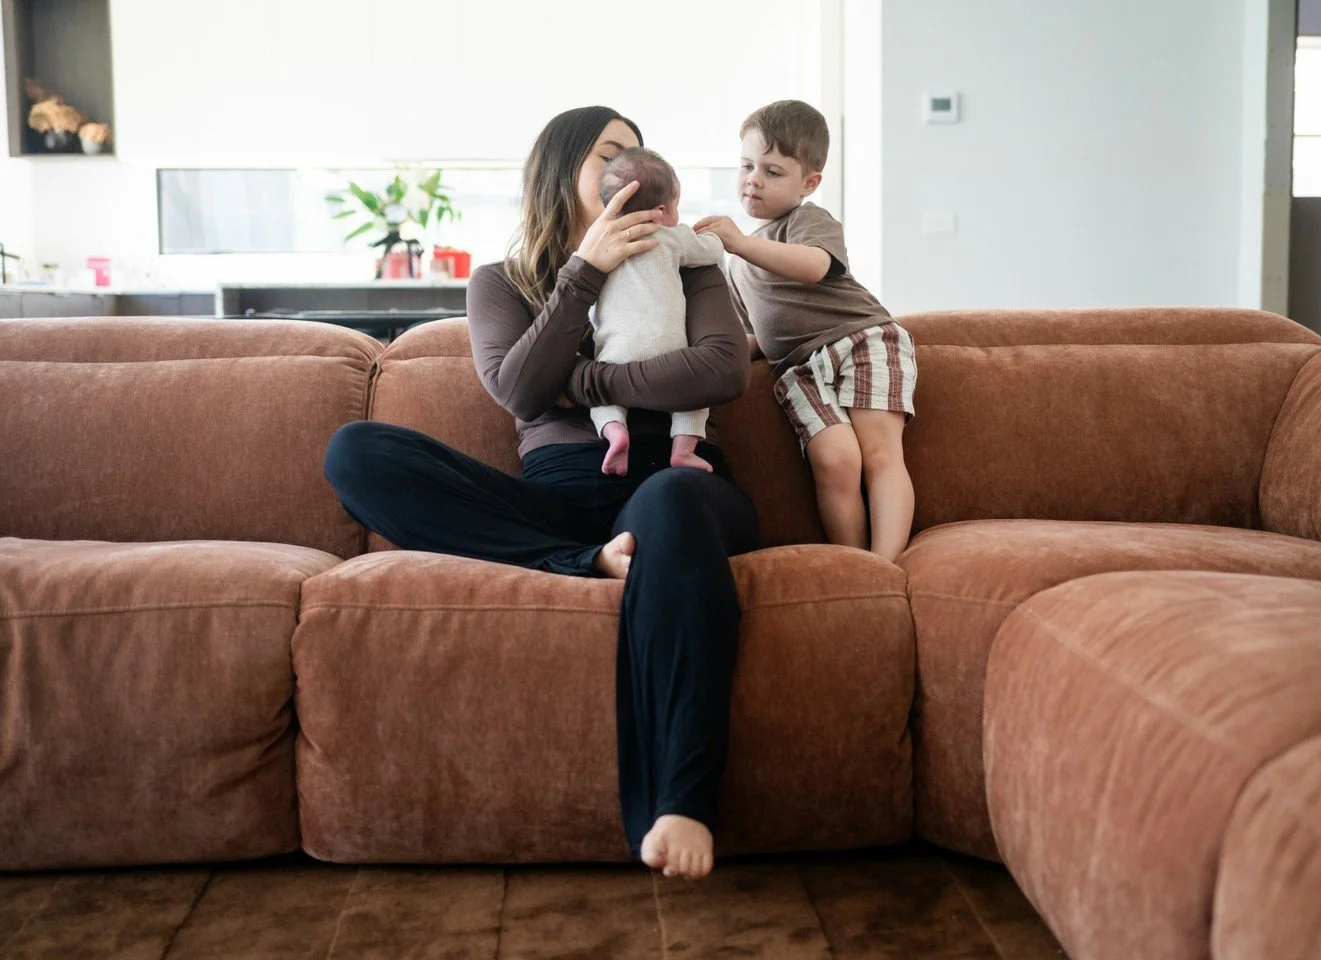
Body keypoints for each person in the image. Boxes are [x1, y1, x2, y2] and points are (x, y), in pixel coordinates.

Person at [323, 106, 758, 881]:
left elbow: (722, 370)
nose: (632, 165)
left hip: (678, 482)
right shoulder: (504, 281)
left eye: (639, 151)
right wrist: (582, 273)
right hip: (557, 496)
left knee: (672, 503)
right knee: (357, 452)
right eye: (610, 154)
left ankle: (682, 801)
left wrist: (582, 382)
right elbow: (523, 389)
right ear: (564, 174)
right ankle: (581, 558)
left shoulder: (691, 261)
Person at [696, 99, 918, 563]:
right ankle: (858, 564)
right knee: (835, 461)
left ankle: (888, 561)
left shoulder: (806, 220)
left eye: (772, 171)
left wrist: (740, 242)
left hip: (861, 340)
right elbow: (754, 336)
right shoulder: (737, 262)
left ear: (809, 183)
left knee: (880, 454)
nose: (753, 179)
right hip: (798, 370)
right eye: (746, 165)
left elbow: (815, 267)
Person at [589, 146, 725, 476]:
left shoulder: (598, 243)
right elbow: (713, 251)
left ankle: (615, 433)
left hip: (615, 352)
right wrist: (714, 237)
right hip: (670, 354)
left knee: (601, 395)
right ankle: (683, 450)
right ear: (661, 211)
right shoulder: (672, 236)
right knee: (694, 394)